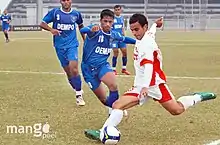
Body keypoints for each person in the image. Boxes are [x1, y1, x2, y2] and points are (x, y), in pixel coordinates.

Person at [84, 14, 216, 140]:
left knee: (176, 110)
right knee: (117, 105)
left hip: (155, 85)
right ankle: (103, 132)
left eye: (137, 29)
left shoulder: (146, 45)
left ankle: (197, 97)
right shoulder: (146, 35)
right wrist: (155, 25)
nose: (135, 33)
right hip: (140, 86)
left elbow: (149, 67)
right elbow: (152, 32)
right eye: (132, 30)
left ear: (144, 27)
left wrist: (146, 87)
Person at [80, 9, 135, 116]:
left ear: (113, 22)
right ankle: (112, 107)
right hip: (88, 70)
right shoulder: (94, 31)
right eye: (105, 21)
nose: (107, 24)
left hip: (102, 66)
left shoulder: (113, 34)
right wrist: (91, 28)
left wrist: (139, 42)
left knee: (113, 85)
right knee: (103, 99)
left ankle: (115, 110)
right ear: (100, 21)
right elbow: (83, 31)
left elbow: (124, 39)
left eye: (110, 22)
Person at [40, 0, 86, 106]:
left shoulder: (76, 14)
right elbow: (42, 23)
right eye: (64, 0)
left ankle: (79, 95)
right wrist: (51, 30)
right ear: (61, 2)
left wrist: (85, 40)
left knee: (74, 68)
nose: (66, 2)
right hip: (59, 46)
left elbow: (81, 26)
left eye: (68, 0)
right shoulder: (55, 12)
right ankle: (76, 88)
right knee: (68, 72)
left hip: (72, 45)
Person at [111, 5, 130, 75]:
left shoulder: (122, 18)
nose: (117, 11)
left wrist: (124, 35)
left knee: (124, 52)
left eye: (118, 10)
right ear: (114, 10)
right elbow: (110, 28)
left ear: (121, 10)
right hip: (114, 39)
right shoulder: (112, 18)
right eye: (116, 10)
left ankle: (124, 68)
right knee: (116, 52)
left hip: (121, 38)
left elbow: (122, 28)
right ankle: (113, 69)